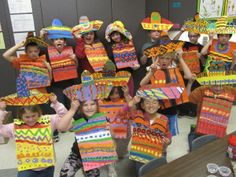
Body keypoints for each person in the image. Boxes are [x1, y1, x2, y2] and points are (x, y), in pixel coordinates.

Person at [60, 71, 118, 177]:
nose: (89, 107)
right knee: (64, 174)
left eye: (92, 104)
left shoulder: (102, 117)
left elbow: (113, 135)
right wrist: (72, 110)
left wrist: (110, 129)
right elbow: (61, 128)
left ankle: (110, 167)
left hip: (93, 156)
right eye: (85, 105)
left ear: (97, 105)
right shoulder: (78, 118)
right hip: (77, 154)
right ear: (81, 107)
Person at [0, 91, 68, 177]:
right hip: (27, 168)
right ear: (21, 116)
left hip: (47, 166)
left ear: (39, 113)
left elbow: (65, 117)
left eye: (33, 115)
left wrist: (56, 103)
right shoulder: (15, 127)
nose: (31, 119)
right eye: (27, 117)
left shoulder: (48, 120)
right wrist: (1, 110)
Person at [140, 42, 192, 136]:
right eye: (161, 58)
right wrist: (152, 72)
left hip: (172, 109)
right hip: (156, 110)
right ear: (157, 59)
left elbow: (189, 76)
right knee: (156, 132)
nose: (164, 61)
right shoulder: (152, 70)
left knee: (169, 134)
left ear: (171, 60)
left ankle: (165, 148)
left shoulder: (175, 70)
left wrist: (180, 59)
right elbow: (142, 84)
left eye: (167, 58)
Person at [41, 18, 78, 142]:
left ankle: (70, 125)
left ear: (65, 41)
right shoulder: (47, 51)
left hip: (69, 83)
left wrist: (75, 59)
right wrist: (41, 37)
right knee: (57, 106)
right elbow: (37, 52)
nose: (59, 41)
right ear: (52, 41)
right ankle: (55, 130)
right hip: (55, 84)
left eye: (61, 39)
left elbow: (76, 67)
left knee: (69, 105)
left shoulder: (70, 50)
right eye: (56, 39)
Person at [127, 94, 171, 176]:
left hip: (157, 155)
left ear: (159, 105)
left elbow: (168, 134)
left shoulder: (164, 119)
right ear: (142, 106)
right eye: (147, 103)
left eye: (154, 102)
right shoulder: (138, 115)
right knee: (141, 172)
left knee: (158, 173)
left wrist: (168, 141)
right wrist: (133, 101)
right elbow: (128, 109)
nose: (151, 105)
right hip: (140, 155)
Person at [105, 21, 140, 96]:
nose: (116, 37)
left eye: (117, 34)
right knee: (119, 95)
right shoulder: (110, 48)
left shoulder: (128, 44)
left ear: (120, 34)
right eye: (113, 36)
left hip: (128, 73)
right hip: (117, 75)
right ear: (110, 37)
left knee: (129, 93)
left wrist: (135, 66)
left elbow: (134, 58)